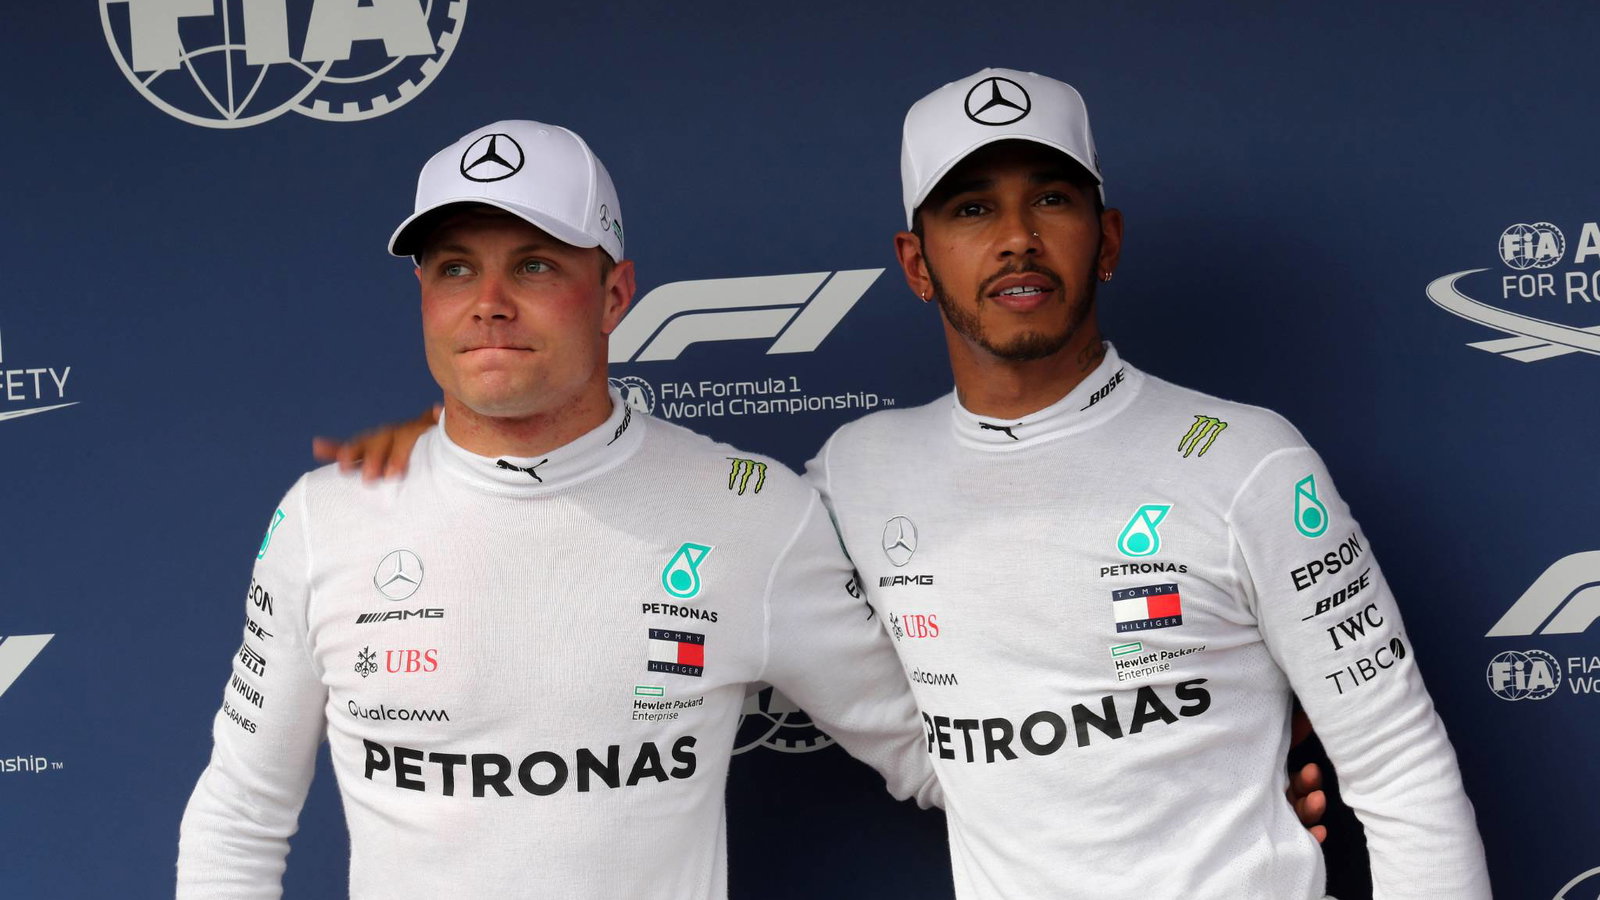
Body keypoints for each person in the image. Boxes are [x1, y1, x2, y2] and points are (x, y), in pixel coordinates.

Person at [176, 119, 940, 900]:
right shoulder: (324, 519)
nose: (489, 304)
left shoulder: (750, 511)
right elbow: (240, 815)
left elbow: (944, 757)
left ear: (615, 295)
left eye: (534, 266)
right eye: (455, 269)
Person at [798, 69, 1491, 897]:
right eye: (973, 209)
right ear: (917, 263)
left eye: (1051, 199)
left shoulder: (1248, 460)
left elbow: (1401, 768)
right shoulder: (859, 470)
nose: (1017, 237)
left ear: (1109, 240)